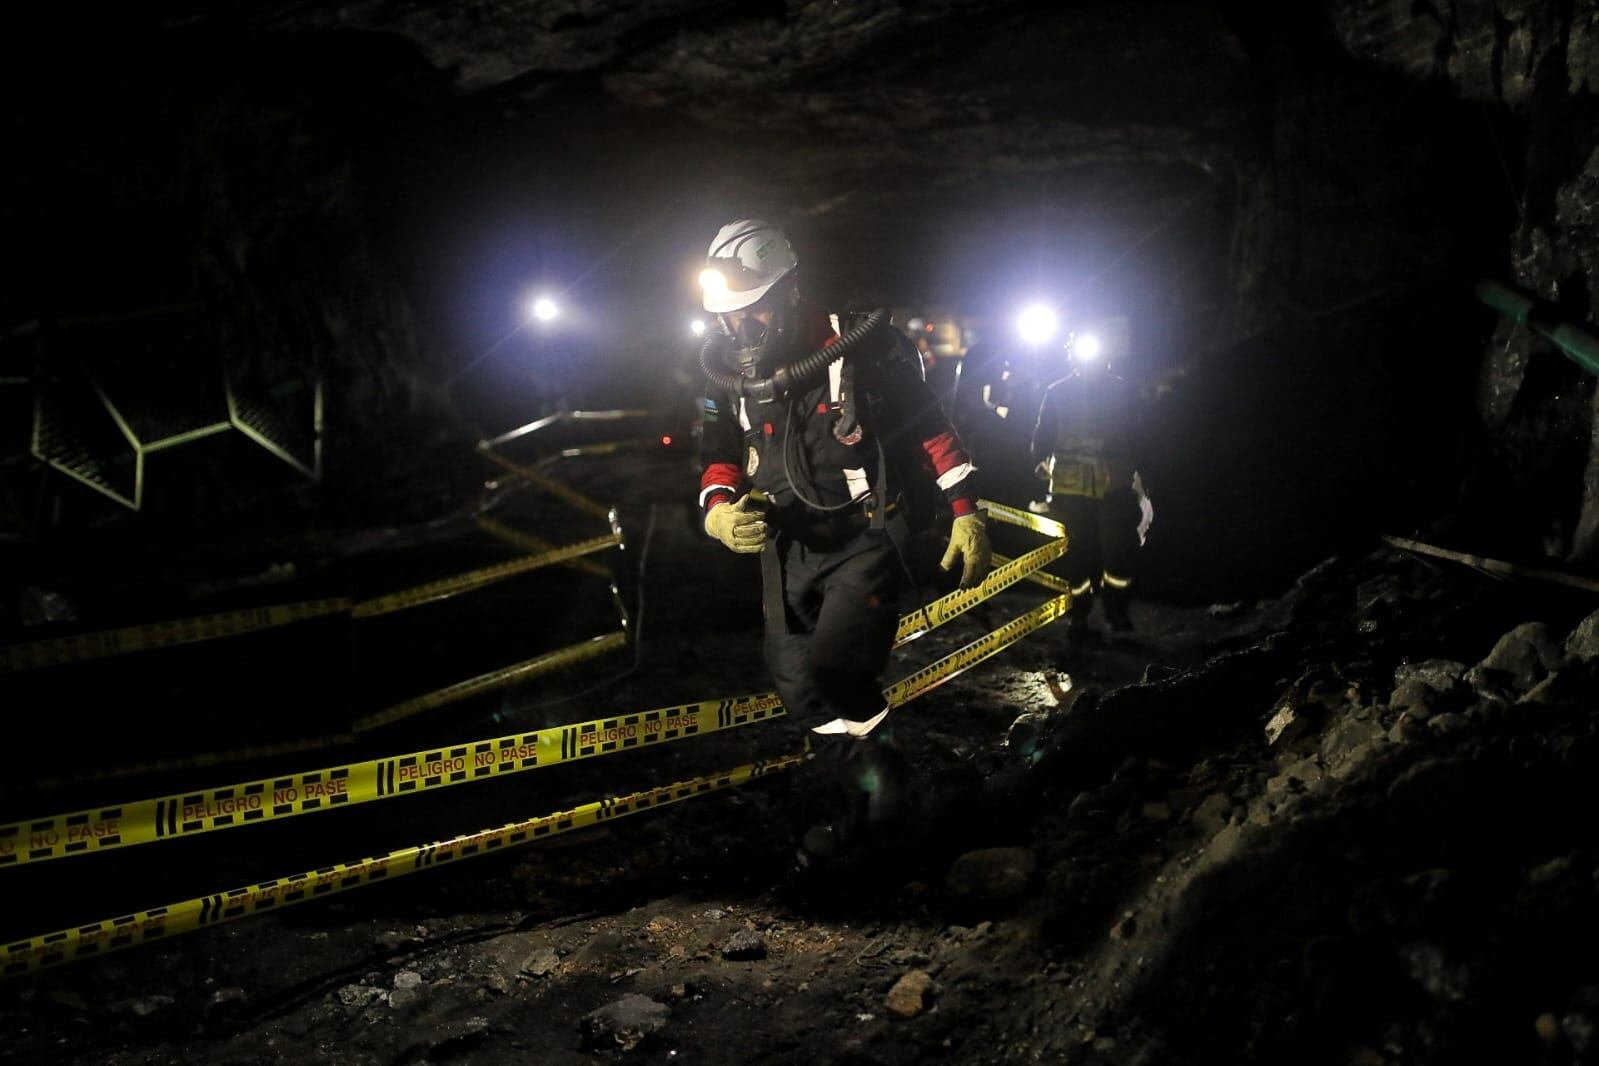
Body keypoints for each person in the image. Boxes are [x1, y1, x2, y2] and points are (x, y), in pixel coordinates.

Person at [694, 219, 991, 840]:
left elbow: (928, 427)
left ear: (789, 293)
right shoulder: (725, 373)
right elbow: (718, 451)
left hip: (864, 537)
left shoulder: (860, 348)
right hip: (785, 544)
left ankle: (891, 793)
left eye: (752, 314)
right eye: (728, 319)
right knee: (796, 683)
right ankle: (854, 792)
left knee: (837, 667)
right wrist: (718, 512)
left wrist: (968, 513)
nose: (739, 330)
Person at [1030, 333, 1145, 640]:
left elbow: (1139, 435)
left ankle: (1117, 612)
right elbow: (1042, 436)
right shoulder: (1057, 392)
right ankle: (1079, 615)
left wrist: (1146, 475)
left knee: (1117, 552)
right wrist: (1040, 459)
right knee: (1079, 552)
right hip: (1072, 489)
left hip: (1113, 486)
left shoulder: (1123, 391)